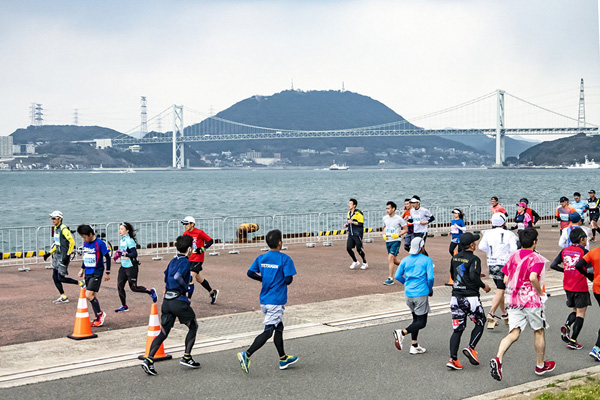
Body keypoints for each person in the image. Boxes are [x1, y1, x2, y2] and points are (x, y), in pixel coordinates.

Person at [490, 228, 555, 381]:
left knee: (514, 333)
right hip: (531, 300)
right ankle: (540, 365)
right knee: (538, 331)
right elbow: (533, 277)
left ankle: (498, 358)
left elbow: (505, 280)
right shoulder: (536, 258)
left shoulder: (513, 257)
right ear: (534, 242)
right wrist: (540, 293)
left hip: (513, 300)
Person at [237, 229, 298, 374]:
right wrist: (279, 280)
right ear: (279, 243)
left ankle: (283, 358)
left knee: (279, 327)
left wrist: (263, 279)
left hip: (264, 299)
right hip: (276, 300)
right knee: (269, 331)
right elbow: (289, 279)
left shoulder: (261, 258)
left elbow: (250, 273)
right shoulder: (285, 259)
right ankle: (247, 354)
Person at [141, 235, 201, 376]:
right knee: (193, 326)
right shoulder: (186, 262)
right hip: (178, 301)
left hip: (167, 301)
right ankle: (187, 356)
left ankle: (149, 360)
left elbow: (166, 277)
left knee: (163, 332)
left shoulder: (173, 261)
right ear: (189, 249)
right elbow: (177, 277)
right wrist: (185, 287)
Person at [446, 233, 491, 370]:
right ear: (471, 245)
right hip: (470, 297)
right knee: (480, 321)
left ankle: (453, 359)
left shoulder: (454, 258)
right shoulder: (474, 259)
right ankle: (471, 347)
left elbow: (453, 275)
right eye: (474, 242)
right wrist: (484, 286)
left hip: (456, 297)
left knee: (457, 329)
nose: (476, 244)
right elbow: (472, 275)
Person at [393, 237, 434, 355]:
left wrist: (406, 282)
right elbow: (430, 278)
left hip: (409, 293)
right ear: (422, 247)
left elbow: (397, 275)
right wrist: (429, 288)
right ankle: (402, 333)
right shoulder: (427, 260)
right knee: (422, 322)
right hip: (421, 293)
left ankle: (414, 345)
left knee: (415, 319)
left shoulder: (405, 260)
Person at [550, 228, 590, 350]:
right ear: (581, 239)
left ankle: (567, 325)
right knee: (581, 313)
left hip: (568, 285)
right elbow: (590, 268)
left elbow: (553, 265)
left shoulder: (565, 250)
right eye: (585, 238)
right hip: (580, 286)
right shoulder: (584, 251)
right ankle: (573, 341)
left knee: (575, 310)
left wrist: (565, 270)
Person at [479, 213, 518, 329]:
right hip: (504, 263)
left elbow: (481, 247)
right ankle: (491, 312)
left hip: (492, 263)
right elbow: (514, 249)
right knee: (501, 289)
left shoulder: (487, 233)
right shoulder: (509, 234)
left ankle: (504, 314)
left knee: (500, 288)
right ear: (505, 222)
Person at [114, 222, 157, 312]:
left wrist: (123, 253)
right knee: (119, 286)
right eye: (119, 229)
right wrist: (118, 254)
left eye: (122, 229)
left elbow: (134, 254)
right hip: (123, 266)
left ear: (127, 231)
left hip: (131, 267)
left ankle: (150, 292)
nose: (119, 231)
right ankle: (124, 306)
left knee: (134, 288)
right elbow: (122, 251)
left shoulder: (130, 241)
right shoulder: (122, 240)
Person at [76, 225, 111, 327]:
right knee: (93, 296)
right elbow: (85, 256)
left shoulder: (100, 243)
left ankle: (100, 314)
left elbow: (107, 257)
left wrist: (107, 272)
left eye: (85, 237)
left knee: (88, 295)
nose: (84, 239)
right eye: (82, 237)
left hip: (97, 271)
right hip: (88, 272)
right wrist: (82, 269)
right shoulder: (85, 243)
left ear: (90, 234)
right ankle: (97, 317)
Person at [44, 211, 81, 304]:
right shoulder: (56, 228)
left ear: (59, 218)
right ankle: (63, 296)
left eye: (54, 218)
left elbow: (72, 242)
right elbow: (57, 244)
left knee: (61, 278)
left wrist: (68, 254)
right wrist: (49, 253)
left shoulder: (63, 229)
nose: (52, 220)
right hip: (57, 255)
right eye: (51, 218)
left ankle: (81, 283)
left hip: (64, 256)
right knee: (54, 277)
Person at [181, 216, 218, 304]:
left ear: (192, 224)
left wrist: (202, 249)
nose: (185, 225)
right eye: (184, 224)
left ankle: (188, 300)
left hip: (198, 259)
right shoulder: (185, 234)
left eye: (187, 224)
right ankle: (212, 292)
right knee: (199, 279)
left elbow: (210, 241)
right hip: (189, 259)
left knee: (190, 278)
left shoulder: (199, 232)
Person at [382, 201, 408, 285]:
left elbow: (405, 229)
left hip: (396, 241)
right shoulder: (385, 218)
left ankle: (390, 278)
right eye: (386, 208)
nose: (387, 210)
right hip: (388, 240)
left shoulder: (398, 219)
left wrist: (398, 234)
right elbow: (385, 227)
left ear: (393, 209)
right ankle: (408, 267)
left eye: (389, 208)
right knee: (394, 260)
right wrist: (383, 234)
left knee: (390, 257)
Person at [345, 198, 368, 270]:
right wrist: (347, 225)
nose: (349, 205)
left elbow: (360, 224)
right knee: (348, 248)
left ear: (354, 205)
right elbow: (349, 222)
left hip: (357, 234)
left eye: (350, 204)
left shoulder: (358, 213)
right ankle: (355, 261)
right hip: (351, 234)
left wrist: (352, 222)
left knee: (359, 249)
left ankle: (365, 262)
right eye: (348, 204)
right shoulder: (348, 213)